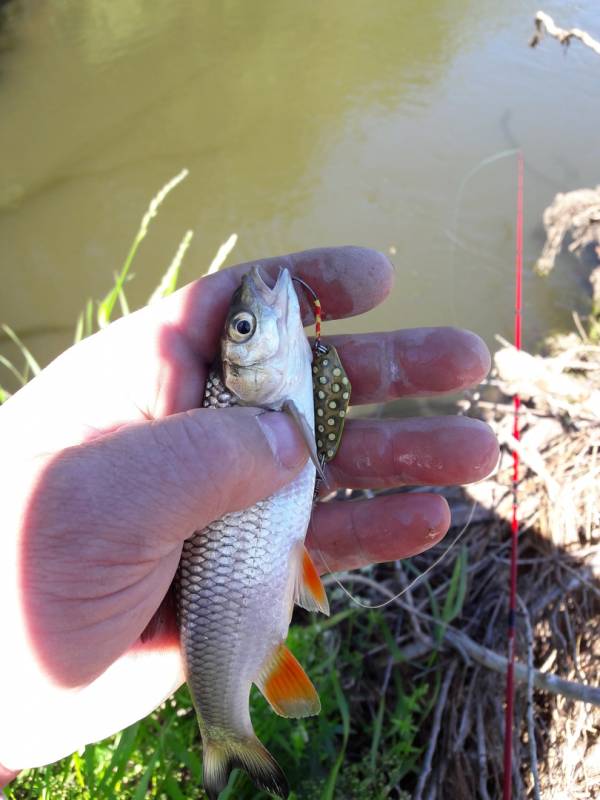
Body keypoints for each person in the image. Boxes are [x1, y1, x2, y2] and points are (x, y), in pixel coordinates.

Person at [0, 247, 498, 786]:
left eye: (244, 327)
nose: (259, 309)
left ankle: (226, 731)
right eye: (244, 326)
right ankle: (225, 732)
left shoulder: (269, 389)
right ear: (236, 371)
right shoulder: (252, 405)